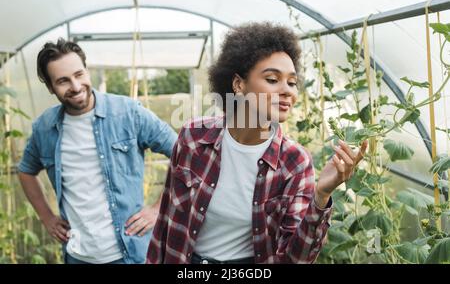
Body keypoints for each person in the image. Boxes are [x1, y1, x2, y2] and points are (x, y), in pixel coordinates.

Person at [147, 22, 368, 264]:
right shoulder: (193, 137)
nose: (287, 91)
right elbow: (166, 222)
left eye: (292, 83)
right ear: (238, 84)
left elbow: (296, 259)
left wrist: (322, 195)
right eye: (272, 79)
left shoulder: (294, 162)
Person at [18, 38, 177, 264]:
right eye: (63, 81)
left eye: (79, 74)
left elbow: (184, 154)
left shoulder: (128, 113)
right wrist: (47, 218)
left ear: (87, 70)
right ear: (50, 87)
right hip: (77, 255)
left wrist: (158, 209)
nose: (75, 86)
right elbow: (26, 171)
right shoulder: (44, 128)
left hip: (129, 253)